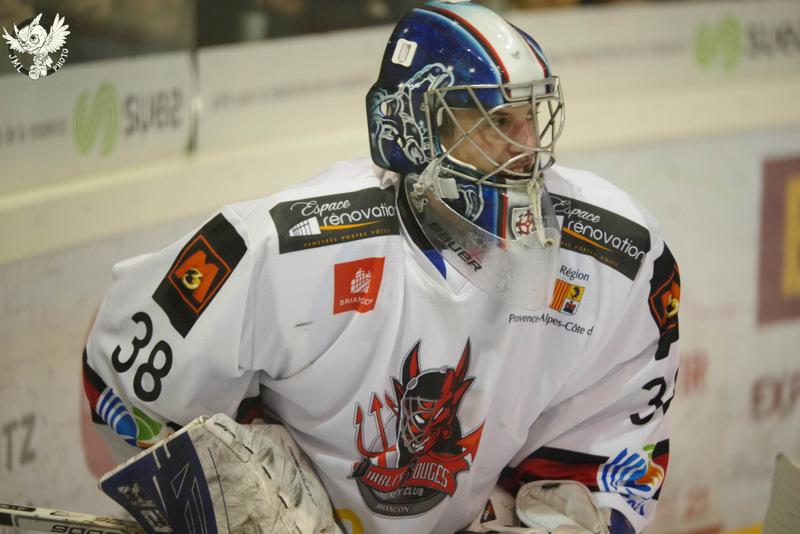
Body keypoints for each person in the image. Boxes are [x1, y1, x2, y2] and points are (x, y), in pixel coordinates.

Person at [82, 1, 680, 533]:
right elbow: (123, 378)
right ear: (414, 128)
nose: (528, 146)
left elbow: (604, 448)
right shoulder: (285, 245)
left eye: (532, 115)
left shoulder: (617, 254)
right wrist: (240, 508)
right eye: (497, 121)